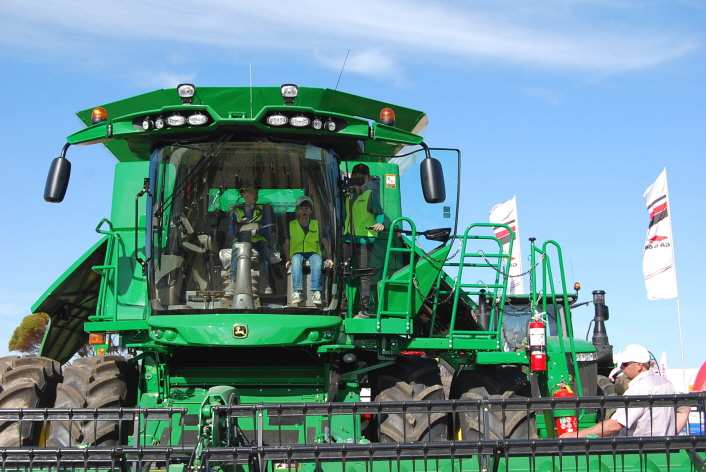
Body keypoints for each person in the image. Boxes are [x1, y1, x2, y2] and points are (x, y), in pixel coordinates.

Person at [560, 344, 688, 438]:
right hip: (664, 447)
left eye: (625, 364)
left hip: (639, 450)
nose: (622, 368)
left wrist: (575, 435)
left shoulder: (639, 388)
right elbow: (683, 411)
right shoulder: (666, 384)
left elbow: (615, 425)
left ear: (639, 366)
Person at [343, 163, 384, 315]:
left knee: (364, 274)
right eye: (356, 177)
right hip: (348, 239)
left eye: (361, 178)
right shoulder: (346, 195)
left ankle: (364, 310)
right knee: (343, 272)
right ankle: (342, 306)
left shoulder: (370, 195)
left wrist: (379, 222)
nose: (358, 180)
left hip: (364, 241)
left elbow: (379, 213)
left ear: (367, 179)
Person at [223, 187, 273, 296]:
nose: (247, 196)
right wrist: (240, 228)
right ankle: (233, 281)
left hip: (258, 239)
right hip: (241, 239)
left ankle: (264, 283)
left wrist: (258, 229)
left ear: (255, 196)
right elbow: (231, 231)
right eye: (245, 193)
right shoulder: (236, 210)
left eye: (250, 193)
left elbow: (268, 227)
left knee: (264, 251)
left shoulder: (262, 209)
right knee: (237, 249)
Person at [284, 196, 333, 306]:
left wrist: (329, 257)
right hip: (297, 253)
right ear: (297, 211)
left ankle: (316, 292)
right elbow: (286, 243)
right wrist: (287, 258)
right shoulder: (291, 224)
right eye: (301, 208)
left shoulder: (317, 224)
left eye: (307, 208)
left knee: (317, 261)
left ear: (311, 211)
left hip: (313, 252)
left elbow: (324, 241)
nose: (304, 210)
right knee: (295, 261)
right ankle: (297, 292)